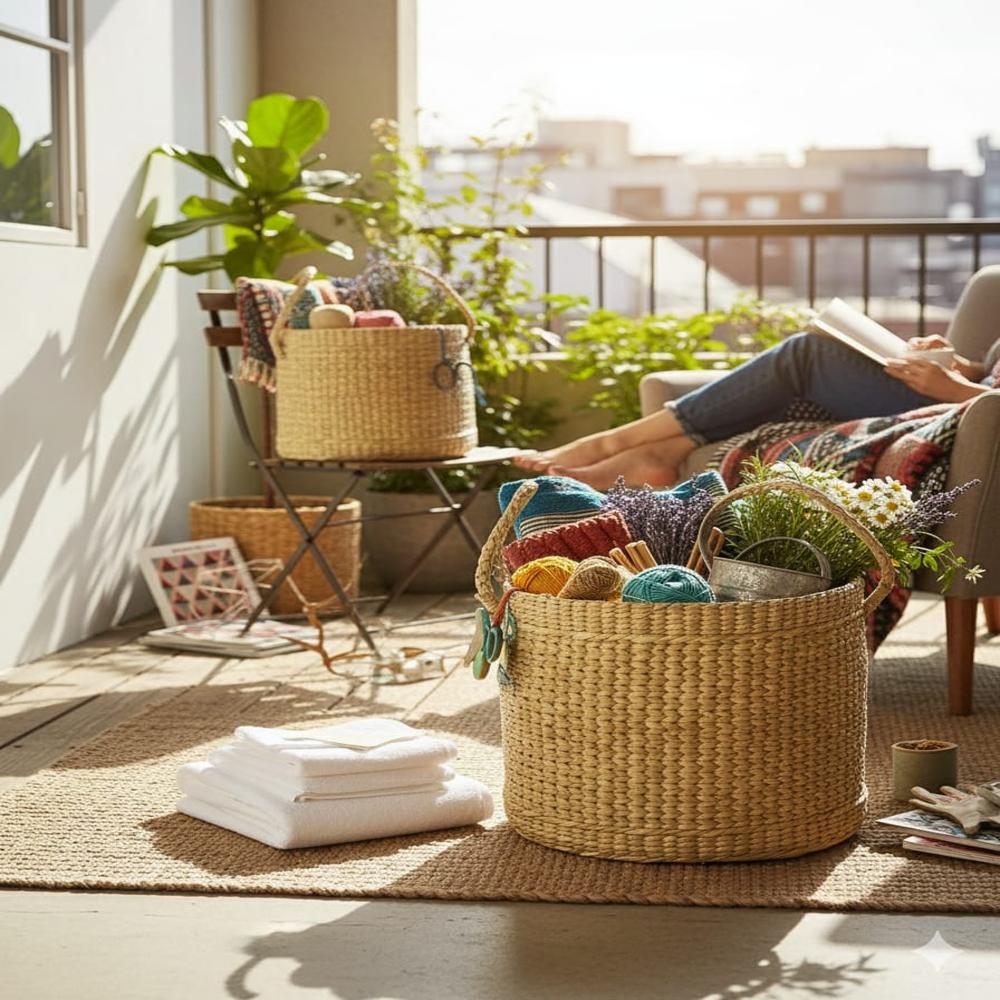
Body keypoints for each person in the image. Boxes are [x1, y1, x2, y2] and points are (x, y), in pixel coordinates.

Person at [515, 331, 1000, 489]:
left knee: (805, 357)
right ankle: (660, 452)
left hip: (969, 412)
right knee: (792, 386)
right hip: (966, 392)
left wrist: (954, 388)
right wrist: (955, 361)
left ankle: (616, 441)